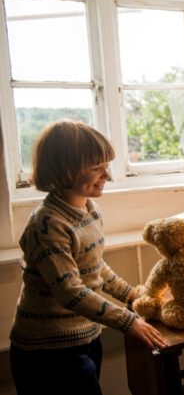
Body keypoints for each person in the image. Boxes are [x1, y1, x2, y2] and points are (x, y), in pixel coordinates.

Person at [9, 120, 167, 395]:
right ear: (64, 170)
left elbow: (95, 267)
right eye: (96, 168)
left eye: (106, 165)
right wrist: (128, 321)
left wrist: (133, 295)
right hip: (47, 352)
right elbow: (70, 291)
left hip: (86, 336)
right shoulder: (47, 225)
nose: (106, 174)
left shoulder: (89, 210)